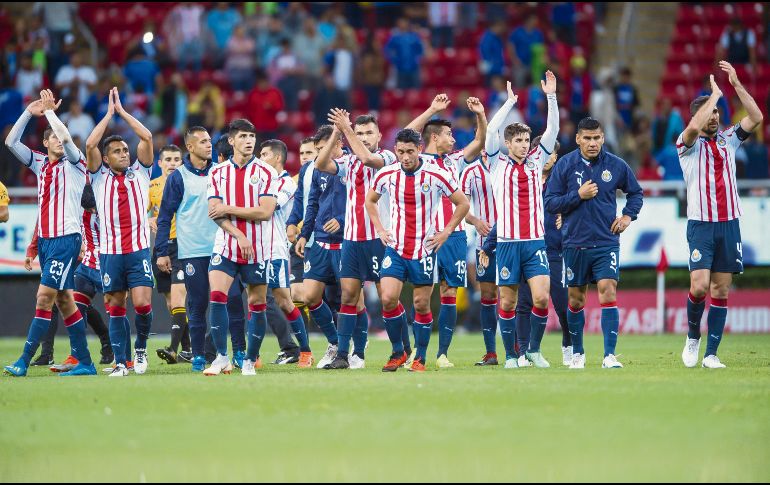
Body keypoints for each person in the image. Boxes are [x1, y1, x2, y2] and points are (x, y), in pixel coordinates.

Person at [3, 90, 96, 377]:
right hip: (46, 241)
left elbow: (67, 138)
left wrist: (50, 113)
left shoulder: (76, 164)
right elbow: (10, 142)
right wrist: (30, 113)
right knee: (64, 300)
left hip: (67, 239)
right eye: (51, 136)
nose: (57, 138)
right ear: (44, 143)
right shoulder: (41, 164)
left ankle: (24, 360)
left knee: (44, 296)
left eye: (57, 134)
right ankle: (86, 363)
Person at [678, 63, 762, 369]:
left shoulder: (730, 139)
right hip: (701, 224)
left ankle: (711, 354)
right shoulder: (686, 146)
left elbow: (756, 117)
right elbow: (691, 130)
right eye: (708, 111)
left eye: (716, 111)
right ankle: (692, 338)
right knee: (699, 286)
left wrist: (736, 84)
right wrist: (713, 95)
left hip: (729, 224)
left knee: (720, 289)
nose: (714, 116)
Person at [365, 128, 470, 372]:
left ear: (419, 149)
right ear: (395, 151)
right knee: (388, 299)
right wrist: (380, 228)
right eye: (400, 152)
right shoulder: (387, 174)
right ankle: (398, 352)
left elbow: (463, 203)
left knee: (421, 305)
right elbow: (369, 200)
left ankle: (420, 358)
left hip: (424, 249)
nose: (405, 157)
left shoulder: (436, 174)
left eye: (410, 151)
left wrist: (446, 232)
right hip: (396, 248)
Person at [544, 116, 644, 369]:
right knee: (576, 300)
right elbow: (550, 202)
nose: (592, 143)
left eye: (596, 138)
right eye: (587, 138)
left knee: (608, 291)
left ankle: (609, 355)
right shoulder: (565, 165)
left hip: (606, 241)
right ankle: (578, 353)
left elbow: (636, 193)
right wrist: (577, 195)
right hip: (574, 243)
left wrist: (628, 216)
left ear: (603, 138)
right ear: (578, 139)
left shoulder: (616, 165)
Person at [478, 73, 559, 369]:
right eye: (519, 141)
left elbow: (553, 130)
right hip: (508, 243)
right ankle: (512, 356)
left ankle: (534, 351)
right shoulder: (496, 163)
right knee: (509, 303)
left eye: (527, 140)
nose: (525, 145)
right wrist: (509, 102)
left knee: (540, 298)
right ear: (508, 143)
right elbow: (490, 133)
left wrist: (551, 96)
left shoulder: (538, 160)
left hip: (535, 242)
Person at [404, 94, 487, 368]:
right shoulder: (416, 161)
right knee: (422, 296)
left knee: (449, 292)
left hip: (454, 236)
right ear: (435, 137)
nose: (453, 139)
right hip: (424, 237)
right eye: (449, 135)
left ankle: (442, 354)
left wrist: (480, 116)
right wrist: (431, 109)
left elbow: (480, 142)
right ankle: (419, 352)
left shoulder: (454, 161)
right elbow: (408, 134)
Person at [155, 128, 246, 372]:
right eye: (203, 142)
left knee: (234, 300)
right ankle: (197, 355)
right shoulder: (178, 177)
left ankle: (239, 351)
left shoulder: (221, 172)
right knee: (197, 304)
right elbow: (164, 216)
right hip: (192, 250)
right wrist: (162, 251)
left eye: (209, 141)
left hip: (224, 247)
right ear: (191, 147)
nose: (209, 145)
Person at [315, 111, 398, 370]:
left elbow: (366, 157)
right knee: (349, 296)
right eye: (359, 133)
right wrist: (337, 133)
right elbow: (319, 164)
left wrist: (346, 129)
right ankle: (345, 355)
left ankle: (400, 350)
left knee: (388, 298)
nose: (363, 137)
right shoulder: (348, 163)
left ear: (379, 135)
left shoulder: (387, 157)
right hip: (351, 239)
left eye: (368, 133)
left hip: (379, 237)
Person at [86, 88, 155, 378]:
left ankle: (140, 349)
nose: (124, 154)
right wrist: (108, 115)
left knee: (141, 304)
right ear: (105, 158)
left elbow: (147, 138)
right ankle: (120, 361)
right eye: (117, 151)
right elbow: (90, 144)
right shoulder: (98, 176)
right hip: (110, 252)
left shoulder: (141, 172)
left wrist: (124, 113)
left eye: (125, 150)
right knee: (115, 304)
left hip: (138, 249)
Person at [204, 118, 278, 376]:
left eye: (252, 136)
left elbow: (266, 212)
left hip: (258, 248)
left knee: (257, 303)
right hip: (226, 245)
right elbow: (215, 212)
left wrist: (229, 208)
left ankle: (248, 360)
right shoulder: (217, 173)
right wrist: (238, 235)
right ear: (232, 140)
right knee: (216, 296)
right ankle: (222, 357)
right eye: (243, 136)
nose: (249, 141)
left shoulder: (266, 172)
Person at [294, 125, 347, 369]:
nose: (318, 155)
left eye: (322, 149)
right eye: (316, 150)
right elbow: (312, 204)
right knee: (310, 296)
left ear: (338, 144)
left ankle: (354, 351)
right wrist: (304, 234)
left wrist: (344, 220)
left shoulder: (353, 166)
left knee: (351, 299)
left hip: (347, 242)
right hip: (320, 241)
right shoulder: (315, 170)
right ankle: (336, 343)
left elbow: (364, 203)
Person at [258, 139, 314, 368]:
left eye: (264, 154)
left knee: (283, 300)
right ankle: (252, 355)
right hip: (259, 247)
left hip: (279, 248)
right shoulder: (261, 181)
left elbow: (268, 209)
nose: (260, 159)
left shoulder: (288, 184)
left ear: (277, 158)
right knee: (258, 299)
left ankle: (304, 350)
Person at [148, 145, 192, 365]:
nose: (173, 163)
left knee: (178, 298)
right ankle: (188, 349)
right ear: (160, 163)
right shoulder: (152, 186)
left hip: (183, 247)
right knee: (170, 303)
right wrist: (147, 219)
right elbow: (140, 210)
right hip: (161, 248)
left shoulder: (187, 182)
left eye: (177, 159)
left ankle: (174, 349)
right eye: (169, 159)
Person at [460, 150, 499, 366]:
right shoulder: (470, 172)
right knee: (487, 294)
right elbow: (462, 206)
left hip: (512, 240)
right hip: (485, 244)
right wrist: (475, 221)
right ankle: (491, 352)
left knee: (514, 296)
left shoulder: (507, 164)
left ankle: (518, 350)